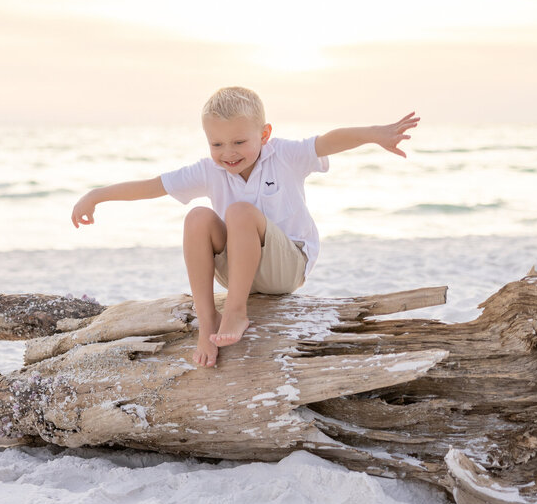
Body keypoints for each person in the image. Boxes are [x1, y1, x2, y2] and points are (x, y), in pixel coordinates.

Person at [71, 86, 419, 368]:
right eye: (217, 144)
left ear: (264, 134)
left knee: (238, 212)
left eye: (239, 142)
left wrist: (376, 134)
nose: (228, 153)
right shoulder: (210, 171)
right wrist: (97, 195)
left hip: (287, 266)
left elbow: (328, 141)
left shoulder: (284, 154)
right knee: (197, 218)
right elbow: (153, 186)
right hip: (239, 269)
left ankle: (236, 311)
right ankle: (208, 319)